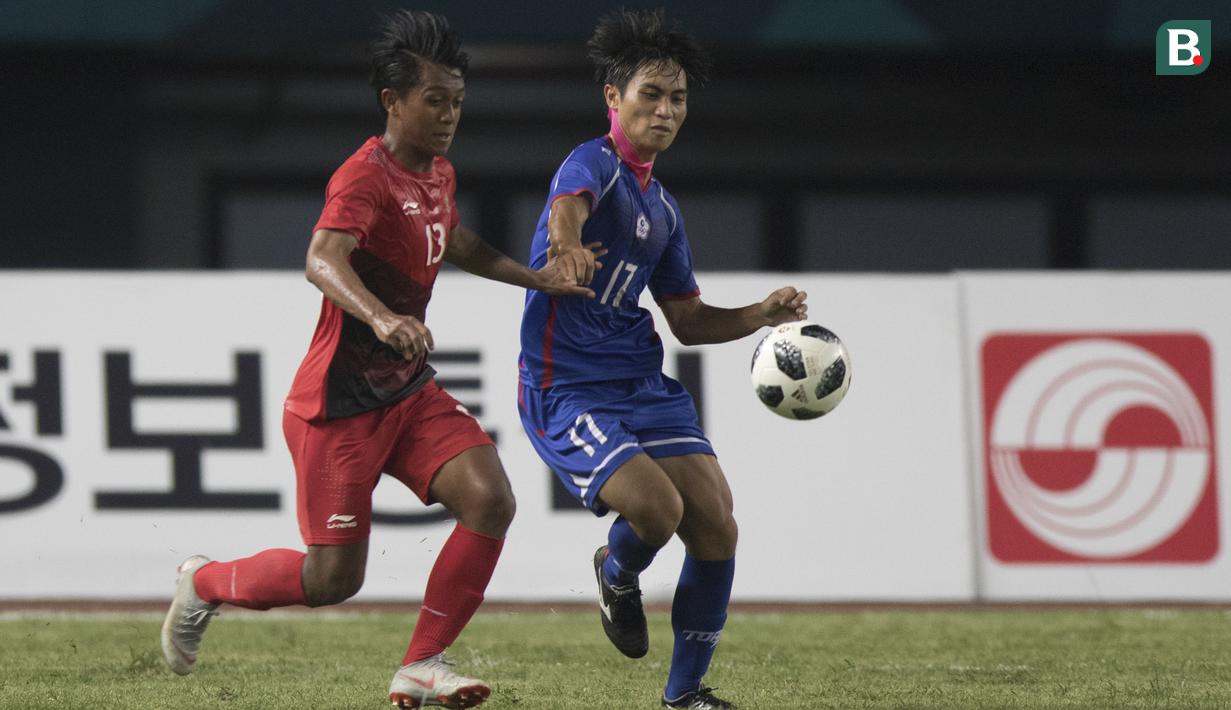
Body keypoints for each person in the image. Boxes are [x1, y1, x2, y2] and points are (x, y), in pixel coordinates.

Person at [160, 11, 597, 709]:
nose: (450, 114)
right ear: (392, 102)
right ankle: (205, 584)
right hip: (337, 405)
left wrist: (534, 276)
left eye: (456, 101)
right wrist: (383, 314)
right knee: (331, 580)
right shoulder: (362, 177)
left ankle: (422, 665)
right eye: (434, 100)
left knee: (490, 498)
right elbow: (320, 258)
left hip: (406, 392)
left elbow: (455, 242)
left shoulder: (438, 173)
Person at [516, 8, 808, 710]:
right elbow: (567, 205)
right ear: (613, 98)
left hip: (641, 381)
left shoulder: (665, 209)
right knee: (655, 510)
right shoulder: (596, 164)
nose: (666, 110)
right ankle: (617, 572)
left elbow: (685, 319)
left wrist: (758, 317)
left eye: (677, 98)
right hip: (567, 388)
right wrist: (564, 244)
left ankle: (684, 696)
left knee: (714, 521)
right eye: (651, 93)